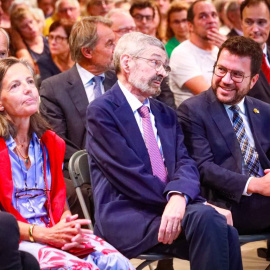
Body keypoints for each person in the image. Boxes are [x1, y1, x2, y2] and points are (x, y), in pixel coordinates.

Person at [86, 31, 243, 270]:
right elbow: (129, 175)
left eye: (165, 66)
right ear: (127, 62)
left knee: (224, 229)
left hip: (170, 208)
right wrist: (177, 199)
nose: (162, 72)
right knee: (208, 218)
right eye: (155, 63)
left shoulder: (165, 112)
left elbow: (186, 164)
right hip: (129, 214)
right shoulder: (102, 111)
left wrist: (180, 196)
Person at [0, 57, 135, 270]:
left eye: (29, 82)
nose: (28, 89)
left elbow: (58, 203)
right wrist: (44, 234)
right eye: (15, 86)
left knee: (118, 262)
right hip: (17, 239)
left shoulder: (49, 143)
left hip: (51, 231)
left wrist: (67, 229)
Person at [178, 36, 270, 235]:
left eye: (237, 74)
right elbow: (203, 168)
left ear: (253, 80)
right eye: (221, 69)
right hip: (228, 203)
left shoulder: (263, 111)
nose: (226, 80)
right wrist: (255, 185)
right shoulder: (193, 110)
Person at [40, 16, 116, 220]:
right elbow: (59, 144)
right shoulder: (54, 88)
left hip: (122, 164)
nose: (115, 49)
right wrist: (103, 161)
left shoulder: (119, 81)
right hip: (84, 169)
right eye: (109, 44)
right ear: (87, 51)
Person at [169, 0, 226, 107]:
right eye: (203, 16)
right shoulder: (181, 53)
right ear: (190, 26)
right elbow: (210, 96)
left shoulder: (222, 49)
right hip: (197, 119)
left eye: (214, 15)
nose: (211, 20)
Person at [240, 0, 270, 103]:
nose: (255, 29)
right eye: (249, 22)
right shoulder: (234, 61)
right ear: (241, 24)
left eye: (261, 22)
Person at [10, 6, 50, 72]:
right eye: (24, 26)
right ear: (18, 31)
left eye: (31, 22)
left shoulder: (49, 40)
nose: (31, 27)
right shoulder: (21, 51)